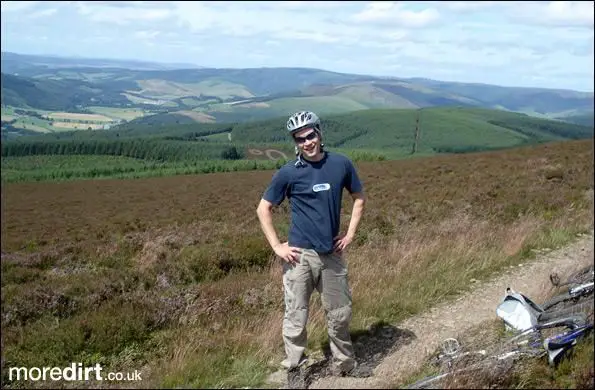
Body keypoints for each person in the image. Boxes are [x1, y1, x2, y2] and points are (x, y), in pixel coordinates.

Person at [256, 110, 367, 376]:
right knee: (296, 315)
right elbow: (263, 209)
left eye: (310, 135)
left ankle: (345, 365)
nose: (307, 142)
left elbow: (359, 198)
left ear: (319, 133)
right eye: (299, 139)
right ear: (295, 143)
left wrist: (350, 234)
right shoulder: (288, 173)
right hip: (299, 257)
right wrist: (276, 247)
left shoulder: (341, 164)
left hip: (331, 254)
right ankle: (295, 368)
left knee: (339, 313)